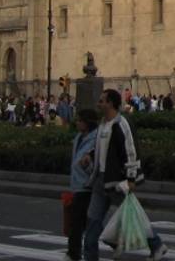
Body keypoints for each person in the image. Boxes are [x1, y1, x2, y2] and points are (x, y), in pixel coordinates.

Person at [82, 88, 168, 260]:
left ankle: (156, 244)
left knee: (133, 215)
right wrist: (90, 156)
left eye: (101, 100)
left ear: (111, 103)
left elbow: (131, 152)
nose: (98, 103)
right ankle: (92, 256)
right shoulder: (103, 124)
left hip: (117, 182)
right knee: (92, 222)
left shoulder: (122, 124)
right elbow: (103, 148)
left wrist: (131, 178)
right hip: (100, 180)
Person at [65, 108, 99, 261]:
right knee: (85, 223)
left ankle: (73, 254)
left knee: (76, 223)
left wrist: (87, 166)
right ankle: (113, 239)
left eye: (79, 120)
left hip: (87, 186)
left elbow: (98, 164)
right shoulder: (78, 137)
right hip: (76, 185)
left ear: (87, 123)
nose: (77, 122)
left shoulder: (96, 139)